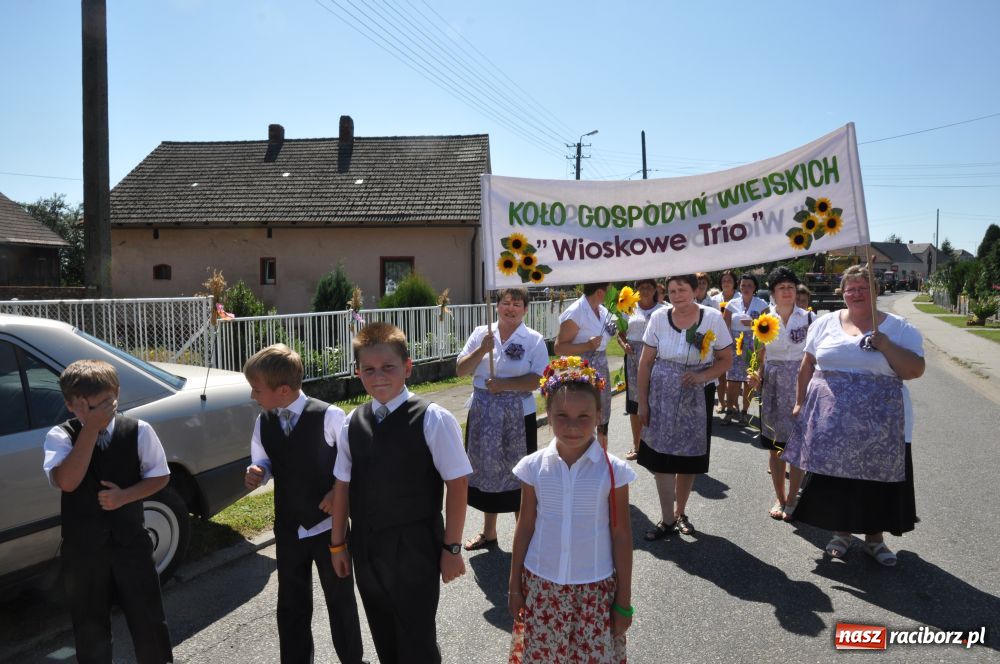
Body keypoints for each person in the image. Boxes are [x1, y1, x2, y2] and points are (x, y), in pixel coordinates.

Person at [330, 322, 472, 663]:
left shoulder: (432, 418)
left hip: (415, 546)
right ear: (357, 372)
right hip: (367, 545)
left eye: (388, 367)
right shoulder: (352, 422)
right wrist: (338, 543)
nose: (379, 376)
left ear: (407, 367)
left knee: (416, 638)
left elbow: (457, 484)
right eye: (369, 369)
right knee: (383, 633)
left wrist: (452, 547)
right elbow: (342, 485)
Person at [782, 265, 925, 566]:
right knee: (837, 480)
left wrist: (885, 345)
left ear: (876, 291)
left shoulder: (900, 328)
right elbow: (807, 365)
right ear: (842, 292)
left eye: (864, 287)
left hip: (883, 425)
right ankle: (841, 534)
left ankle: (875, 540)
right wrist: (799, 402)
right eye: (851, 288)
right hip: (832, 422)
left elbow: (914, 370)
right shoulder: (823, 324)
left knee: (875, 481)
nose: (857, 292)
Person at [42, 359, 174, 664]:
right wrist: (89, 429)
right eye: (86, 408)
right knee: (90, 632)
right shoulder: (59, 436)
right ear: (69, 405)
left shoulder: (139, 430)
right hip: (84, 552)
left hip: (132, 545)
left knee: (149, 623)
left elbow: (160, 476)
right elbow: (68, 481)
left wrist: (126, 496)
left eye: (103, 405)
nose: (97, 413)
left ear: (116, 394)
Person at [508, 357, 635, 663]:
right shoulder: (533, 467)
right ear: (547, 415)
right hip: (542, 587)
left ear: (599, 416)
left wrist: (624, 601)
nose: (573, 426)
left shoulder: (613, 471)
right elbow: (525, 525)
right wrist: (514, 586)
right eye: (562, 415)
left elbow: (621, 535)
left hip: (594, 590)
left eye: (584, 416)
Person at [242, 345, 364, 664]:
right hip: (289, 527)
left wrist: (338, 494)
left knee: (340, 600)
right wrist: (258, 471)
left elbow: (353, 463)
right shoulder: (263, 422)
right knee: (291, 603)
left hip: (329, 528)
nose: (253, 397)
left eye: (257, 390)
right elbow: (264, 458)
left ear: (282, 390)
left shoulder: (330, 416)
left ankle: (352, 658)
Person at [637, 275, 733, 539]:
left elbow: (726, 358)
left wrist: (702, 377)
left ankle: (681, 512)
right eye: (671, 291)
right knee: (663, 458)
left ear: (695, 290)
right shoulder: (658, 318)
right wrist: (642, 402)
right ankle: (667, 519)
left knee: (688, 458)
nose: (677, 295)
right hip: (662, 395)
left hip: (696, 394)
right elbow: (645, 362)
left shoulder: (712, 317)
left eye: (682, 289)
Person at [456, 287, 548, 551]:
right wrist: (481, 351)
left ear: (525, 309)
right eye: (505, 303)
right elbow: (461, 370)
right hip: (483, 413)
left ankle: (524, 535)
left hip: (518, 414)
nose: (510, 308)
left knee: (519, 472)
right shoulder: (481, 333)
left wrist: (505, 384)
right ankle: (489, 532)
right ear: (496, 306)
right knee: (487, 469)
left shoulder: (533, 339)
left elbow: (539, 378)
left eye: (517, 304)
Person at [746, 268, 810, 521]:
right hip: (772, 386)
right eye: (782, 287)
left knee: (797, 446)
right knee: (775, 446)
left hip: (798, 384)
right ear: (773, 293)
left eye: (791, 287)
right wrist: (756, 376)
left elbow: (814, 358)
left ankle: (794, 497)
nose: (787, 291)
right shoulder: (764, 319)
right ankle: (780, 497)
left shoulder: (809, 319)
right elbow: (759, 355)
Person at [555, 283, 616, 447]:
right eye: (609, 289)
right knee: (582, 413)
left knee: (601, 414)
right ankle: (579, 455)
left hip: (600, 368)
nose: (612, 293)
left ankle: (602, 457)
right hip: (579, 371)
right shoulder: (576, 312)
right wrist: (587, 346)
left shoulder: (602, 311)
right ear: (600, 291)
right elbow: (559, 347)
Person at [619, 279, 666, 461]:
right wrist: (624, 345)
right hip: (633, 359)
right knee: (635, 403)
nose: (645, 291)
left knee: (655, 401)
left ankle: (656, 445)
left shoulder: (663, 310)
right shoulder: (628, 308)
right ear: (636, 290)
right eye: (641, 288)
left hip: (656, 357)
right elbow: (620, 334)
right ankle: (637, 445)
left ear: (655, 290)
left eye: (649, 287)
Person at [722, 273, 769, 426]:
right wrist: (726, 347)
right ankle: (730, 410)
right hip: (736, 344)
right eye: (743, 285)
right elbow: (725, 326)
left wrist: (754, 324)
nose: (746, 288)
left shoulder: (762, 304)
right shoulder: (731, 304)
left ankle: (744, 412)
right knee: (732, 380)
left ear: (755, 287)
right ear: (739, 287)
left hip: (754, 344)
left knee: (749, 381)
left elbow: (767, 326)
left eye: (749, 285)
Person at [712, 270, 738, 414]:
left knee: (734, 375)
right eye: (723, 281)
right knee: (721, 373)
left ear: (734, 283)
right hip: (719, 341)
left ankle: (732, 403)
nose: (726, 283)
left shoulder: (740, 298)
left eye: (729, 280)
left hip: (737, 341)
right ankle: (722, 402)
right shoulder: (714, 300)